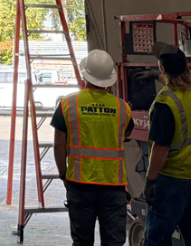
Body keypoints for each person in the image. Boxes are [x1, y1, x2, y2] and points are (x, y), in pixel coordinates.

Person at [52, 50, 134, 246]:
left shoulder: (67, 105)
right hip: (113, 187)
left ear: (84, 75)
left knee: (82, 241)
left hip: (79, 185)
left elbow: (58, 144)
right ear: (110, 79)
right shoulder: (122, 107)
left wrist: (64, 175)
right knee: (113, 242)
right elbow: (126, 134)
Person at [143, 48, 191, 246]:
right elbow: (178, 85)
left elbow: (161, 148)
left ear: (161, 67)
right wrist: (157, 76)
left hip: (174, 179)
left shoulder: (165, 102)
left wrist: (150, 181)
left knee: (156, 238)